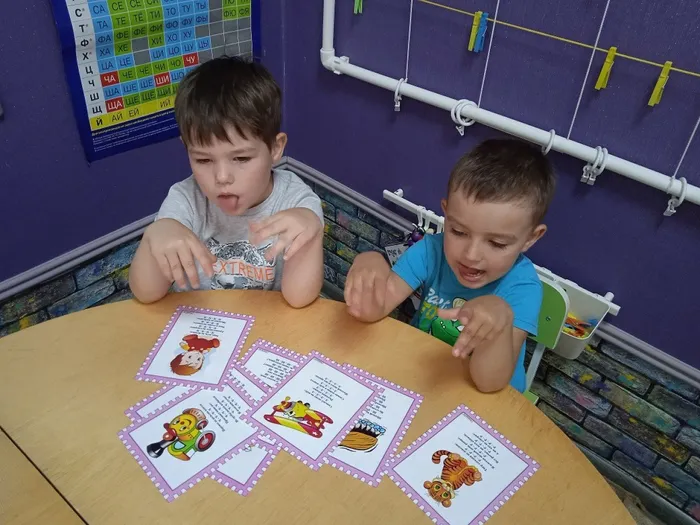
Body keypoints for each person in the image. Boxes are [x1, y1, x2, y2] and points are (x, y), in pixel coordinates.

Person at [344, 139, 556, 393]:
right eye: (458, 231)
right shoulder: (431, 250)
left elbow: (489, 384)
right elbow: (372, 310)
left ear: (531, 238)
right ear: (446, 213)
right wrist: (371, 261)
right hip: (422, 377)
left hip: (482, 398)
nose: (471, 255)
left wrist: (500, 324)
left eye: (496, 243)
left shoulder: (523, 288)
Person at [129, 57, 324, 307]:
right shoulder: (186, 200)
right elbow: (146, 293)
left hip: (267, 324)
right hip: (197, 322)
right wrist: (154, 235)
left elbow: (299, 299)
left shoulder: (296, 202)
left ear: (276, 148)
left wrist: (312, 232)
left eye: (241, 158)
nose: (222, 177)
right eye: (203, 160)